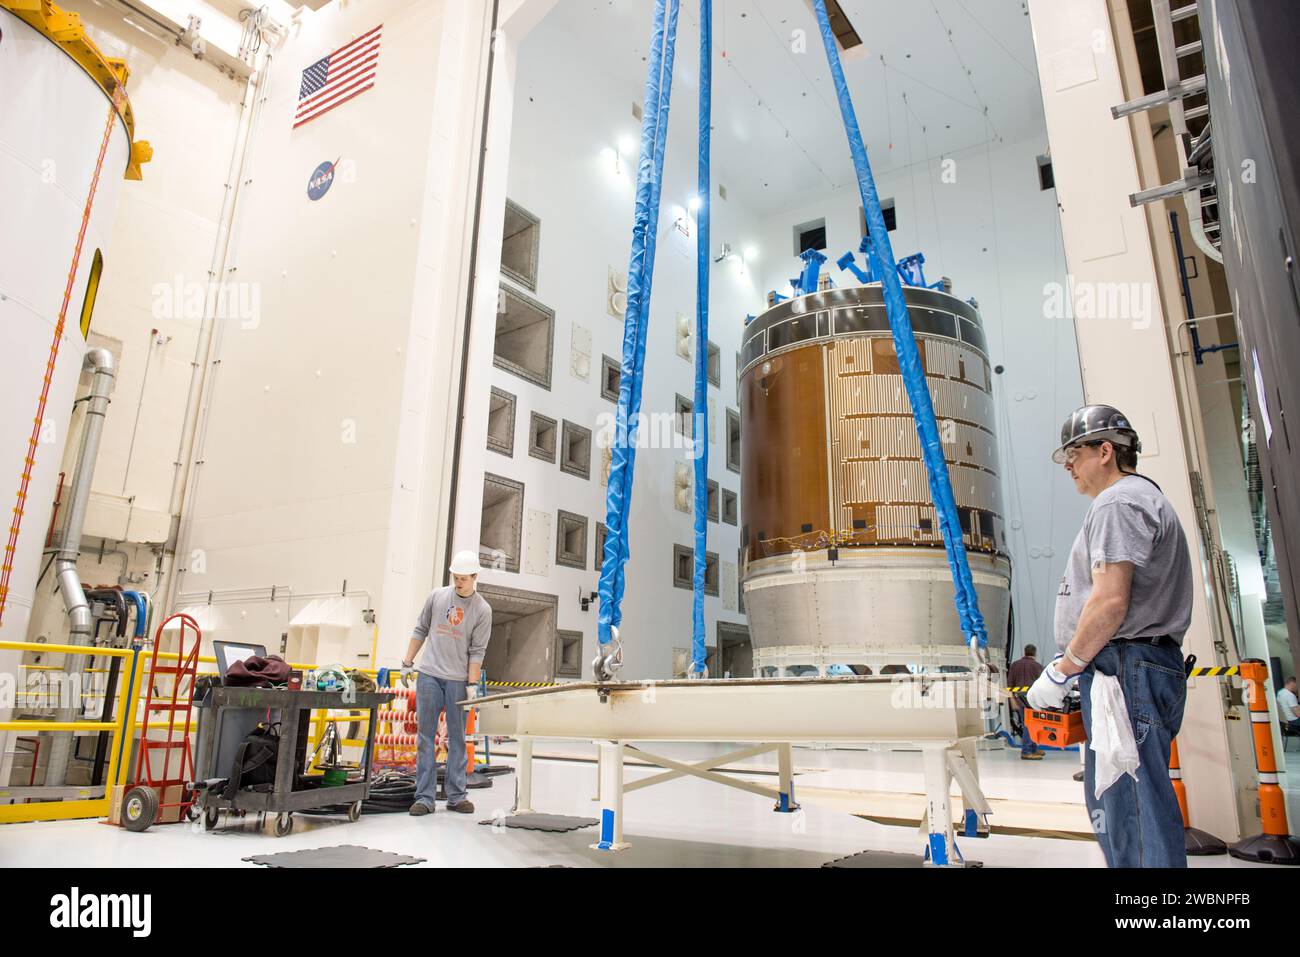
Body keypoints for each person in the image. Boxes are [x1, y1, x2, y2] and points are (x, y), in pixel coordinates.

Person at [1027, 405, 1193, 868]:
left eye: (1074, 455)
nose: (1068, 466)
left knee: (1131, 810)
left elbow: (1110, 601)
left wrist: (1064, 669)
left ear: (1105, 451)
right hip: (1131, 667)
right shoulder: (1139, 499)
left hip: (1125, 668)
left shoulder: (1118, 503)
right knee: (1127, 803)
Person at [401, 550, 492, 815]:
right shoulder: (437, 597)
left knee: (457, 739)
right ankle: (424, 798)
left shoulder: (482, 610)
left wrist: (472, 685)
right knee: (425, 737)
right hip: (429, 675)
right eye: (455, 577)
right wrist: (407, 661)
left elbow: (477, 651)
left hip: (458, 681)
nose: (458, 582)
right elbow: (420, 629)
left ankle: (456, 796)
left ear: (475, 577)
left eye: (464, 578)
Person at [1008, 645, 1045, 760]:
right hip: (1033, 702)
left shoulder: (1014, 665)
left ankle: (1033, 748)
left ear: (1024, 652)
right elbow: (1043, 686)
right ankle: (1027, 751)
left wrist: (1012, 701)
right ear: (1035, 654)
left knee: (1027, 725)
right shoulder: (1038, 666)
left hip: (1019, 701)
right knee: (1030, 725)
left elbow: (1009, 685)